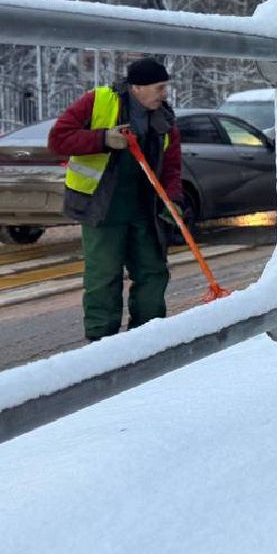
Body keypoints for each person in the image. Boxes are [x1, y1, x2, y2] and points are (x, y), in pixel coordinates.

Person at [47, 57, 182, 341]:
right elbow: (58, 140)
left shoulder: (163, 118)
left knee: (153, 273)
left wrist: (172, 201)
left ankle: (148, 336)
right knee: (104, 278)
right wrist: (103, 140)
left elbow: (171, 166)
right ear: (137, 88)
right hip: (102, 208)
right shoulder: (98, 101)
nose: (164, 94)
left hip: (146, 210)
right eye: (159, 88)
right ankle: (102, 343)